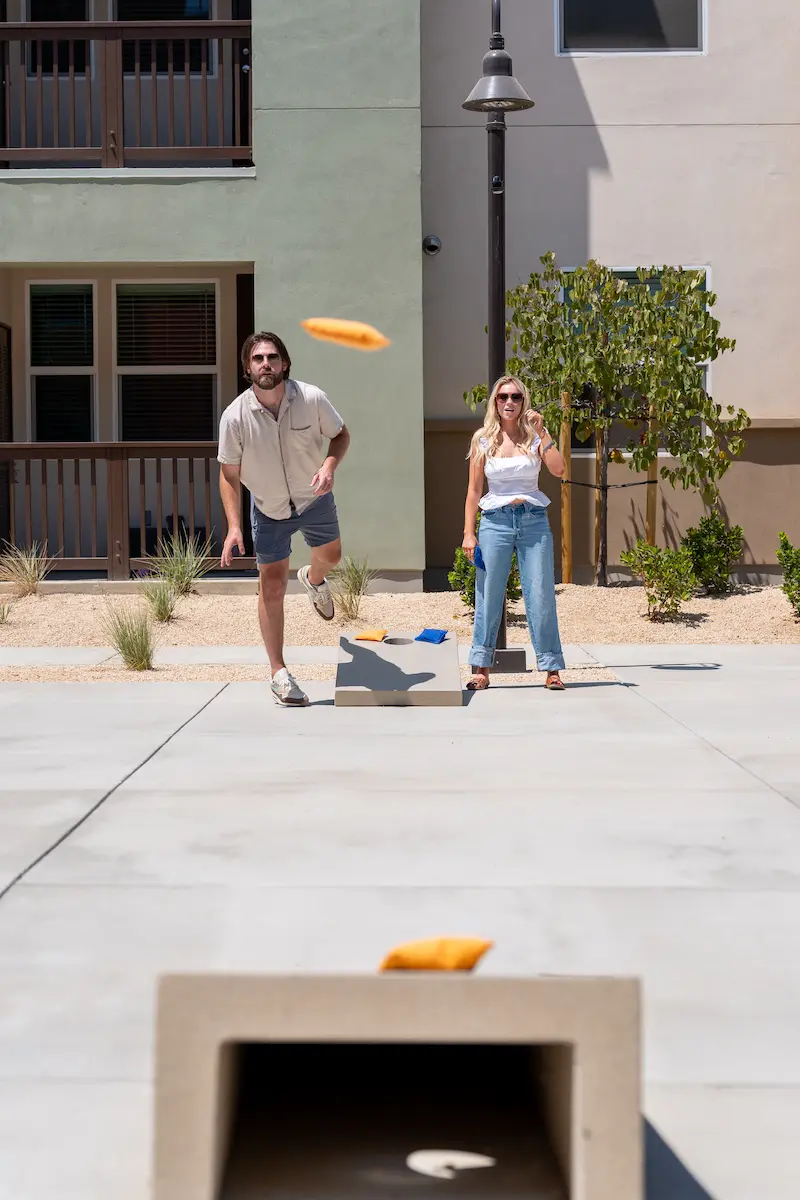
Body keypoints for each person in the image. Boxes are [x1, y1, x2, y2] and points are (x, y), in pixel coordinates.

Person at [218, 331, 350, 707]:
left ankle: (314, 578)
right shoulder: (235, 417)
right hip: (269, 509)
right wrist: (233, 527)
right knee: (272, 586)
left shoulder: (311, 398)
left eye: (272, 357)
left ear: (285, 363)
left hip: (314, 498)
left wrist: (328, 466)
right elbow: (228, 475)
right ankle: (279, 673)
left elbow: (341, 436)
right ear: (247, 368)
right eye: (258, 359)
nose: (266, 364)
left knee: (333, 556)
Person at [461, 375, 566, 692]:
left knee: (540, 593)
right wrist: (468, 533)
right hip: (495, 521)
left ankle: (551, 668)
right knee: (488, 593)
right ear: (495, 402)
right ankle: (481, 668)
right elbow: (474, 490)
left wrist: (544, 432)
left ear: (524, 402)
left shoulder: (535, 437)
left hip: (533, 520)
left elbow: (559, 469)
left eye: (516, 397)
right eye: (503, 396)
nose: (509, 402)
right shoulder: (483, 440)